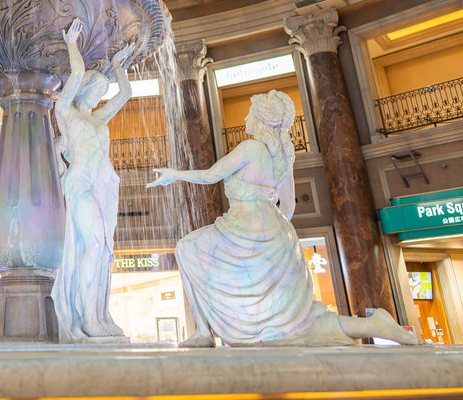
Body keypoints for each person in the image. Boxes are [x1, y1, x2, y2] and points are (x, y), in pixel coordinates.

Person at [147, 90, 419, 347]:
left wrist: (174, 174)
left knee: (186, 248)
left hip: (245, 225)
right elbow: (287, 205)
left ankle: (203, 332)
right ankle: (373, 326)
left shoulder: (250, 148)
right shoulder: (284, 155)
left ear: (262, 119)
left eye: (250, 112)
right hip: (278, 231)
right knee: (299, 321)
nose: (245, 118)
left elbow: (209, 176)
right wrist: (275, 236)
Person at [52, 17, 134, 343]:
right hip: (80, 184)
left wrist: (118, 65)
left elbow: (125, 94)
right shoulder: (65, 113)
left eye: (103, 91)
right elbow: (73, 74)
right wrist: (71, 44)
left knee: (104, 251)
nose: (100, 96)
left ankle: (99, 314)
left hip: (103, 185)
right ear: (85, 88)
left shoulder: (99, 119)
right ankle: (87, 319)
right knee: (94, 244)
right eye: (97, 89)